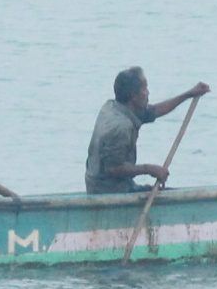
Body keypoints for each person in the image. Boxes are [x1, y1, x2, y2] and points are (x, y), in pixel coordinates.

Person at [85, 66, 208, 195]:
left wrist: (189, 94)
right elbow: (114, 168)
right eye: (144, 89)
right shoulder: (121, 127)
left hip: (111, 184)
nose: (148, 93)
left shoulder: (114, 106)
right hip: (108, 191)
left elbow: (155, 110)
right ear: (134, 96)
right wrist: (150, 169)